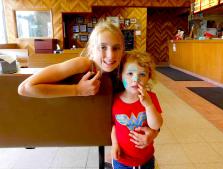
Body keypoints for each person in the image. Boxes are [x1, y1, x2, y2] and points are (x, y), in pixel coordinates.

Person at [18, 20, 160, 166]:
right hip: (73, 129)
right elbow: (25, 88)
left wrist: (153, 132)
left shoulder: (123, 68)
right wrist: (77, 90)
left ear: (123, 50)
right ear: (92, 49)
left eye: (116, 48)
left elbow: (145, 108)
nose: (110, 55)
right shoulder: (82, 64)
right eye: (102, 47)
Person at [111, 50, 163, 169]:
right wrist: (114, 144)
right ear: (120, 75)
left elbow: (156, 125)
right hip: (122, 160)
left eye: (142, 74)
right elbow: (113, 125)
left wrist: (148, 105)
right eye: (130, 73)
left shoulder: (151, 98)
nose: (136, 79)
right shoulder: (114, 100)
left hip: (146, 159)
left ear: (148, 78)